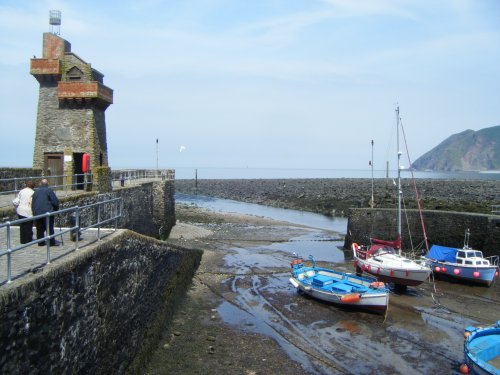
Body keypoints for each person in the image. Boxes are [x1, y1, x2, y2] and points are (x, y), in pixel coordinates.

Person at [32, 179, 60, 246]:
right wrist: (56, 209)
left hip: (37, 212)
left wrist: (34, 211)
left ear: (41, 184)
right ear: (47, 184)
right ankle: (51, 242)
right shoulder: (49, 190)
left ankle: (40, 242)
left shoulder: (36, 191)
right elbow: (55, 201)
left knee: (39, 228)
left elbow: (33, 203)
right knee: (49, 228)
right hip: (47, 212)